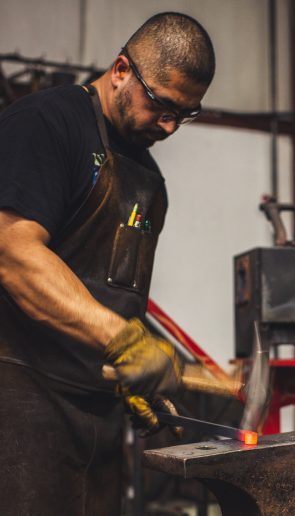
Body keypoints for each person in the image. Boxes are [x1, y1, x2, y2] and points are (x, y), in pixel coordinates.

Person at [0, 12, 215, 516]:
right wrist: (124, 341)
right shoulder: (46, 124)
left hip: (96, 416)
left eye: (186, 114)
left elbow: (111, 292)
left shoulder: (149, 178)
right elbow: (14, 252)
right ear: (121, 69)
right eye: (162, 105)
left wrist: (128, 373)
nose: (169, 126)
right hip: (20, 403)